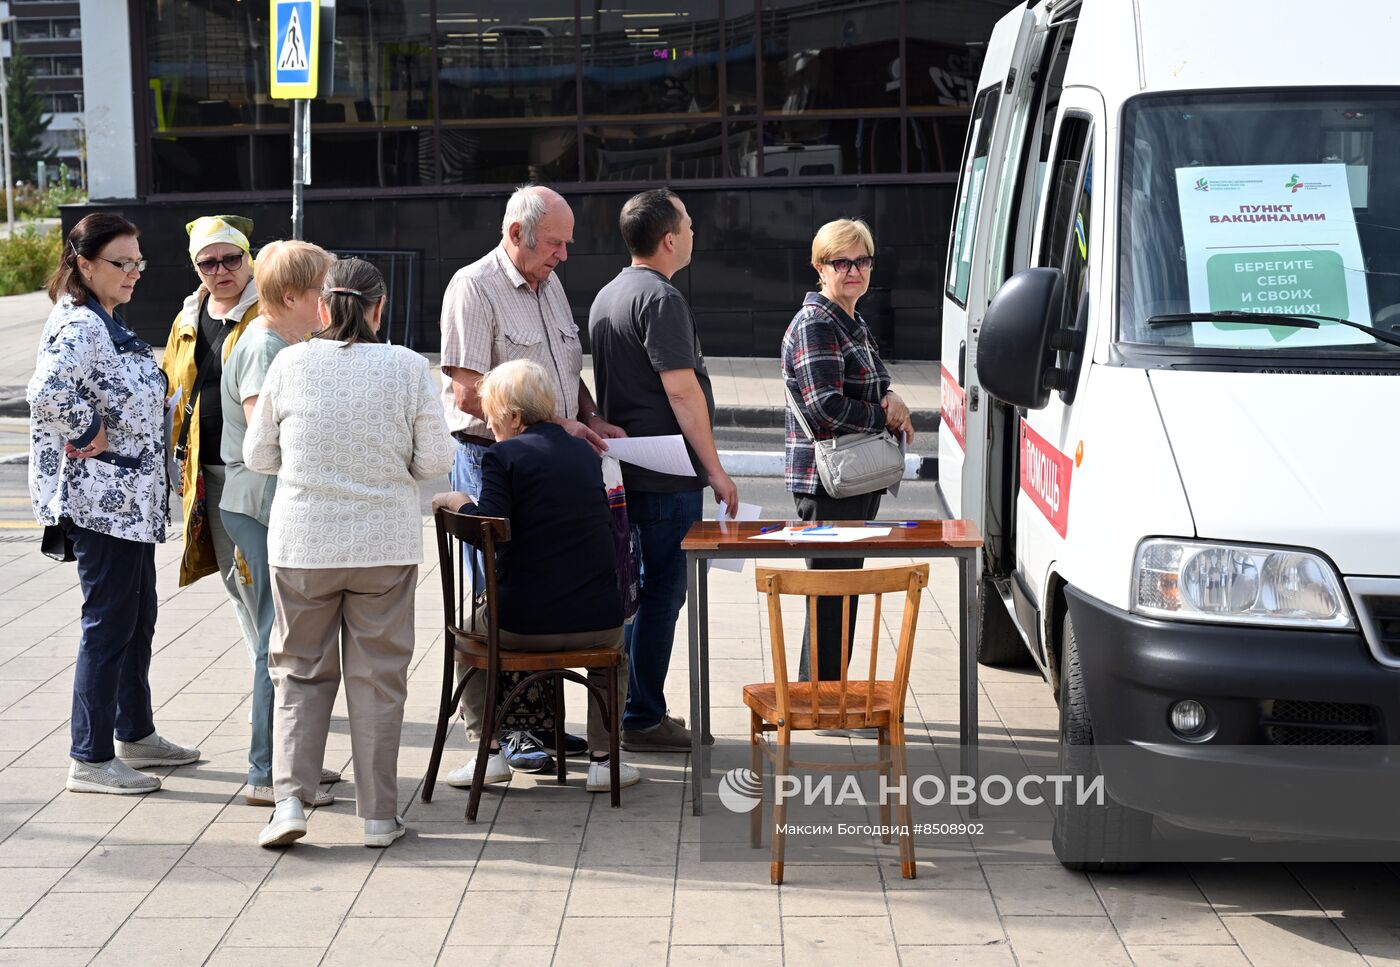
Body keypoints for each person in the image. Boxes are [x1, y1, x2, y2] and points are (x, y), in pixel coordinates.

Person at [245, 258, 453, 849]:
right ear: (377, 308)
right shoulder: (408, 367)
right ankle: (380, 818)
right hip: (383, 547)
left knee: (298, 674)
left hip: (303, 543)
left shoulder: (289, 363)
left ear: (323, 307)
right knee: (379, 680)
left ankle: (289, 802)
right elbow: (434, 461)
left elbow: (260, 456)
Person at [439, 183, 626, 776]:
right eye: (554, 244)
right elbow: (468, 391)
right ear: (516, 233)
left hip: (559, 452)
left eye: (567, 245)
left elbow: (567, 372)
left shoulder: (551, 283)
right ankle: (513, 733)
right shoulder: (474, 287)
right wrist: (555, 425)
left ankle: (540, 727)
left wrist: (590, 417)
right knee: (500, 593)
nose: (563, 256)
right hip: (493, 458)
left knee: (550, 586)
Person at [27, 213, 200, 795]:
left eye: (138, 263)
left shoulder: (106, 320)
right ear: (83, 264)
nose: (132, 274)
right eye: (119, 263)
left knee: (137, 618)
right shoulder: (81, 325)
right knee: (109, 624)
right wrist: (85, 425)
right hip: (101, 503)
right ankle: (90, 756)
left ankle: (134, 731)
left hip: (127, 501)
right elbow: (45, 392)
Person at [433, 360, 639, 793]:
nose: (487, 424)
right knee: (615, 650)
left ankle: (488, 754)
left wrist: (457, 502)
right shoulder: (585, 453)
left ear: (514, 416)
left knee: (465, 635)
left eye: (490, 413)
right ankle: (604, 760)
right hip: (598, 623)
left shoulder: (502, 456)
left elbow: (490, 528)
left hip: (522, 624)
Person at [588, 188, 738, 753]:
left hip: (630, 471)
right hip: (668, 476)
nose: (696, 234)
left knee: (638, 594)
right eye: (691, 225)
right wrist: (715, 469)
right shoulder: (662, 299)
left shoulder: (608, 294)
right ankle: (643, 715)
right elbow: (681, 391)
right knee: (662, 596)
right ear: (670, 239)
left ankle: (630, 709)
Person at [217, 240, 342, 808]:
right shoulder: (264, 347)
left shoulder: (285, 340)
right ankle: (267, 775)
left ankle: (293, 764)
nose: (328, 301)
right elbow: (264, 436)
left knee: (289, 641)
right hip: (259, 511)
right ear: (292, 296)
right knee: (280, 643)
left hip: (269, 509)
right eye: (321, 290)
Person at [780, 218, 913, 681]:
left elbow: (874, 382)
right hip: (826, 482)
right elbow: (825, 408)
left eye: (862, 261)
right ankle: (819, 697)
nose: (854, 270)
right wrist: (884, 415)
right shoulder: (817, 323)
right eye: (842, 261)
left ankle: (823, 693)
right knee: (831, 593)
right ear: (820, 266)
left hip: (852, 475)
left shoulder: (851, 318)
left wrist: (892, 397)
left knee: (841, 591)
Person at [162, 215, 261, 673]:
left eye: (230, 259)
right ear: (196, 269)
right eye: (208, 264)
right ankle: (266, 672)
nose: (221, 271)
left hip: (258, 471)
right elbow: (170, 389)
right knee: (232, 578)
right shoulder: (187, 317)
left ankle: (277, 678)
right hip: (206, 472)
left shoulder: (268, 310)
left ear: (248, 258)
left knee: (261, 579)